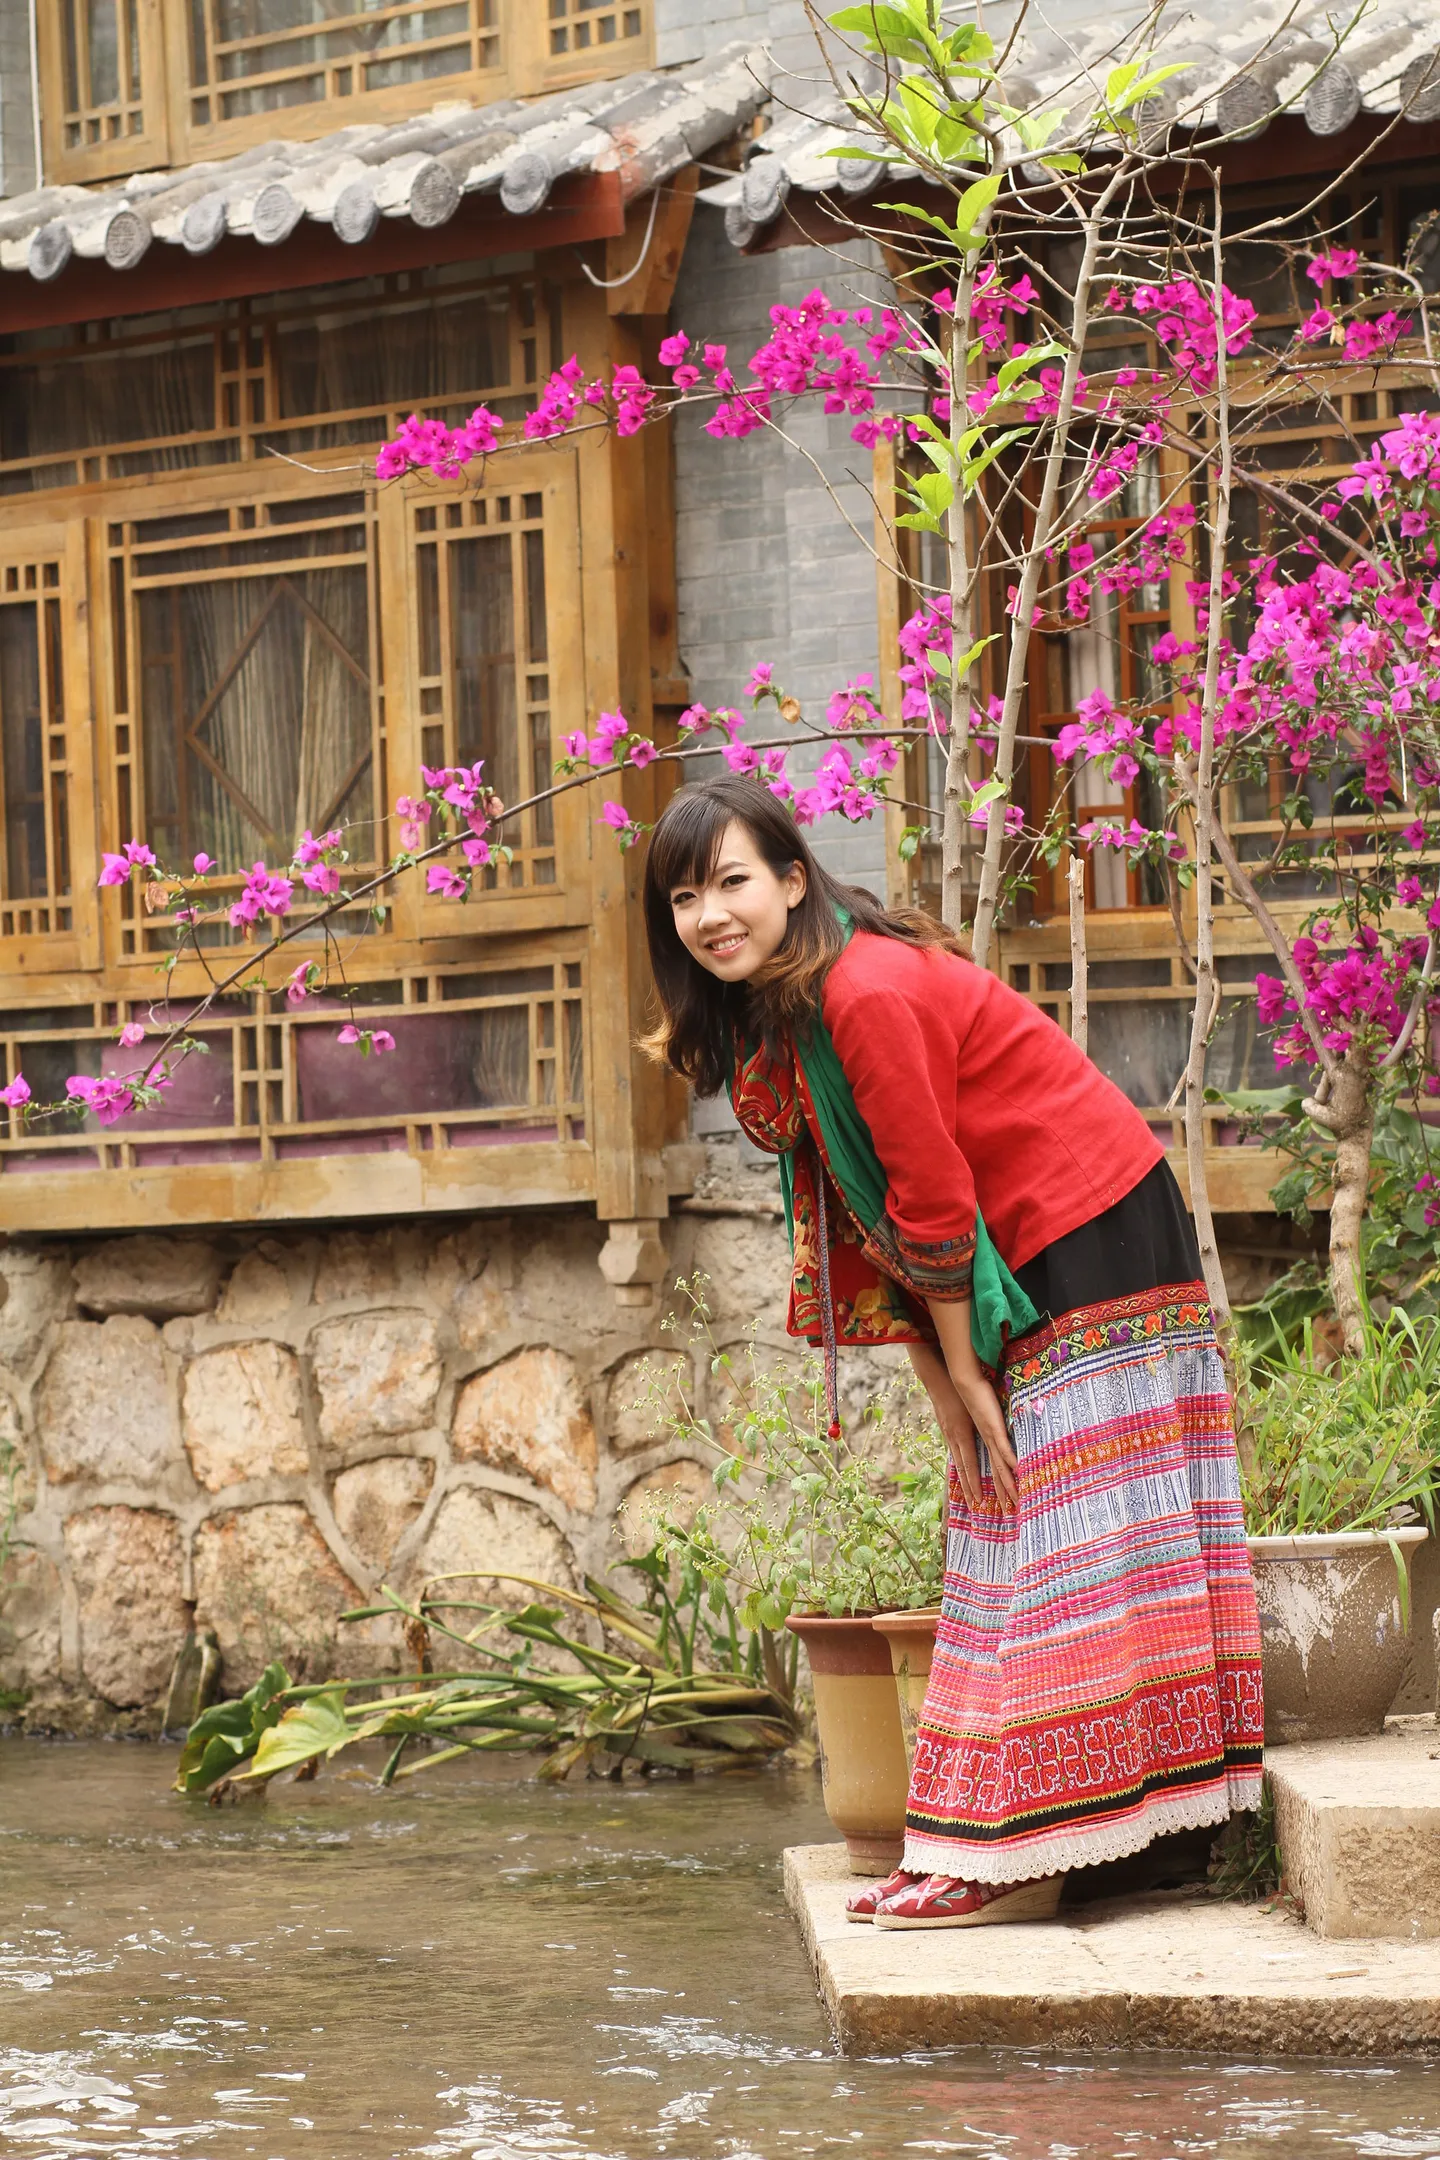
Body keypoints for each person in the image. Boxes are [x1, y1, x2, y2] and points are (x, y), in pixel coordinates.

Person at [641, 773, 1263, 1931]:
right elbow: (869, 1216)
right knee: (1003, 1507)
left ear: (792, 879)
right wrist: (944, 1381)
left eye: (730, 882)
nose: (709, 915)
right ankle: (1098, 1843)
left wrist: (968, 1366)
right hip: (1019, 1244)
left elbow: (926, 1198)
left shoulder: (862, 991)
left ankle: (1025, 1846)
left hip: (1083, 1218)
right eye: (684, 898)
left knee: (1064, 1532)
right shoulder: (794, 1010)